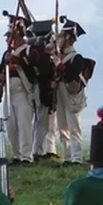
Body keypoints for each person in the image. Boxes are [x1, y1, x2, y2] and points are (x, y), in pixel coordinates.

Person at [0, 13, 37, 165]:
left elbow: (31, 70)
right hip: (8, 93)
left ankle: (26, 156)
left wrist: (15, 61)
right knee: (11, 126)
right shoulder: (6, 53)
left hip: (23, 91)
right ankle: (16, 154)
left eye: (11, 36)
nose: (8, 39)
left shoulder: (29, 50)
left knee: (24, 125)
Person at [55, 16, 90, 166]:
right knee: (62, 126)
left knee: (74, 126)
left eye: (62, 35)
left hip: (70, 93)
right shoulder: (58, 56)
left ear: (69, 37)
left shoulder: (76, 58)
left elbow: (71, 75)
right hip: (59, 92)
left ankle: (76, 157)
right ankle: (67, 156)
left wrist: (59, 65)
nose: (59, 38)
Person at [27, 20, 59, 162]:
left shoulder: (46, 51)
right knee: (41, 121)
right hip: (42, 88)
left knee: (50, 122)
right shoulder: (38, 52)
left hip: (49, 89)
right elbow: (44, 70)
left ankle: (49, 149)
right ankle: (38, 151)